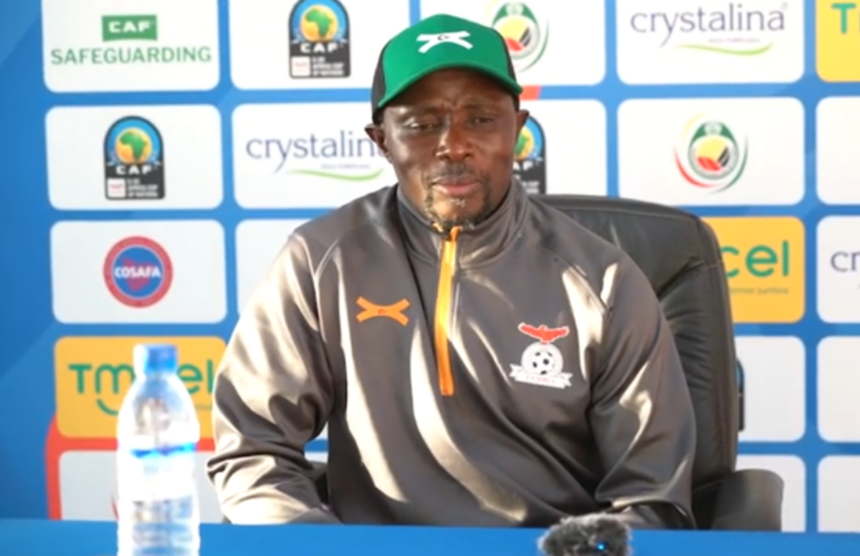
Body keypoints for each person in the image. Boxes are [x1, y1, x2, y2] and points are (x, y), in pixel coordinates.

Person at [207, 13, 697, 530]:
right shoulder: (321, 260)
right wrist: (323, 546)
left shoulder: (604, 282)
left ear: (519, 129)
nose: (454, 145)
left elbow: (651, 499)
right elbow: (251, 452)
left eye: (482, 119)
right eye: (421, 125)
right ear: (381, 140)